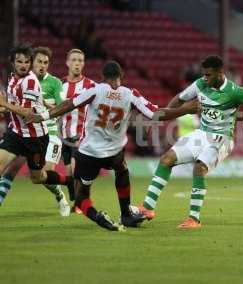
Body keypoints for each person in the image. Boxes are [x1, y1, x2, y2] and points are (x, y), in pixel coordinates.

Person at [26, 60, 199, 231]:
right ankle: (125, 214)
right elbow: (156, 113)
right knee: (122, 171)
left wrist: (42, 116)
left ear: (103, 77)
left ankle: (97, 216)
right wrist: (185, 109)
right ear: (121, 75)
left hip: (89, 152)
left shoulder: (94, 90)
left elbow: (68, 104)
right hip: (114, 152)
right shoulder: (130, 94)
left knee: (81, 197)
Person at [138, 55, 243, 229]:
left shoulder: (235, 91)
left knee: (199, 168)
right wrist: (163, 115)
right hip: (201, 134)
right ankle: (147, 208)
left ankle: (194, 219)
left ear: (220, 73)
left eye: (208, 75)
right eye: (203, 74)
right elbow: (179, 99)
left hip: (223, 138)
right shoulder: (200, 84)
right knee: (166, 159)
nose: (204, 78)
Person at [0, 46, 72, 216]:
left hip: (36, 138)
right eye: (19, 61)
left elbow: (28, 113)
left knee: (38, 178)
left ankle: (65, 184)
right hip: (16, 134)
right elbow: (11, 108)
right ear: (12, 63)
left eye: (26, 62)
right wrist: (3, 108)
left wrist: (4, 104)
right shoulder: (12, 80)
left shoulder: (31, 82)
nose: (23, 65)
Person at [61, 48, 96, 211]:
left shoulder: (90, 85)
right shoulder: (60, 85)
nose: (77, 63)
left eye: (80, 61)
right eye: (74, 60)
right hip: (64, 137)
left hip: (81, 136)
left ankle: (81, 204)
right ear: (67, 62)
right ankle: (78, 201)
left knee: (76, 170)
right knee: (69, 175)